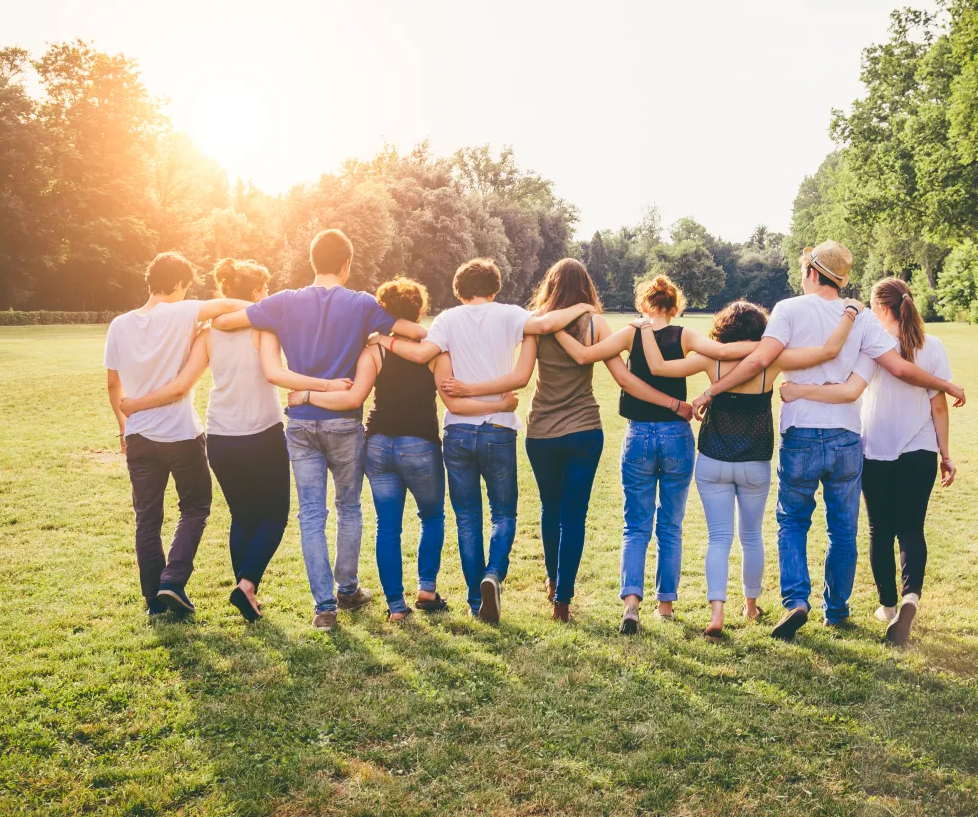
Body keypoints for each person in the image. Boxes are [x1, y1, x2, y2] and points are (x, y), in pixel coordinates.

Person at [692, 240, 965, 642]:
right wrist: (946, 384)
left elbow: (757, 361)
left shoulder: (787, 309)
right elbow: (900, 369)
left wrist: (710, 393)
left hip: (800, 432)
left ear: (810, 272)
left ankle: (796, 601)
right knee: (842, 530)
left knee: (792, 522)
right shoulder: (862, 317)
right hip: (846, 437)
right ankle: (835, 610)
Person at [444, 261, 687, 625]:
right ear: (586, 288)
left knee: (549, 509)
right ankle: (563, 600)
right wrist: (672, 403)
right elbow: (624, 378)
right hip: (584, 430)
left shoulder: (536, 324)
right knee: (574, 515)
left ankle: (553, 580)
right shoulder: (594, 323)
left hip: (542, 431)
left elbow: (521, 375)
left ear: (550, 286)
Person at [211, 229, 428, 631]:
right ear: (346, 265)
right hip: (344, 421)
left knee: (311, 513)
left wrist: (245, 304)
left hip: (300, 422)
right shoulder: (362, 304)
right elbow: (417, 332)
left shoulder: (282, 303)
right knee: (348, 508)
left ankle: (324, 608)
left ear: (313, 261)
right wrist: (379, 334)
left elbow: (223, 320)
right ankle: (348, 589)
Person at [119, 258, 348, 622]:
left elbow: (181, 384)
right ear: (257, 293)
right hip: (262, 433)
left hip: (221, 437)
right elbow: (278, 374)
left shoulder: (208, 334)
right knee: (274, 515)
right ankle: (247, 584)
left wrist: (135, 404)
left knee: (242, 516)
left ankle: (248, 596)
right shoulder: (265, 329)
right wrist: (326, 385)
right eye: (266, 290)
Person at [377, 257, 600, 623]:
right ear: (495, 288)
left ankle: (476, 602)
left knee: (467, 518)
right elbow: (545, 323)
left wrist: (381, 336)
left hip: (458, 431)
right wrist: (582, 304)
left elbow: (420, 353)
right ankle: (493, 574)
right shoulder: (510, 314)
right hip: (499, 429)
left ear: (458, 290)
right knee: (503, 513)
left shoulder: (447, 320)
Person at [292, 277, 519, 622]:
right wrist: (502, 402)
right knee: (432, 517)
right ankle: (427, 589)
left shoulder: (374, 350)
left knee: (388, 526)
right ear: (420, 310)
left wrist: (308, 395)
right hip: (421, 445)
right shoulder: (434, 350)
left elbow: (357, 396)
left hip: (378, 444)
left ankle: (396, 606)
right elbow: (450, 397)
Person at [635, 298, 860, 639]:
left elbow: (658, 368)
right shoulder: (773, 361)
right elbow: (828, 351)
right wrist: (850, 313)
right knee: (752, 537)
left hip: (713, 458)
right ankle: (751, 605)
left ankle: (716, 613)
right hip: (755, 460)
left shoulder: (711, 359)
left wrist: (645, 328)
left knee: (719, 539)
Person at [781, 277, 957, 648]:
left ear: (879, 308)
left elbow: (850, 390)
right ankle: (911, 598)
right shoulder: (934, 346)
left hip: (876, 449)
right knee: (912, 529)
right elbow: (938, 404)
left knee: (880, 530)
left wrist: (798, 391)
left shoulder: (874, 344)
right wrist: (945, 453)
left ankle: (889, 608)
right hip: (921, 449)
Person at [543, 273, 716, 633]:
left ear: (643, 304)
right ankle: (665, 605)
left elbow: (583, 355)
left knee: (635, 525)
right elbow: (716, 354)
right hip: (676, 436)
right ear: (676, 306)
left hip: (638, 435)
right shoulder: (684, 335)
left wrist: (550, 326)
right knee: (670, 525)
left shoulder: (632, 331)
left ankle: (631, 604)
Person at [104, 252, 251, 616]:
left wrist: (124, 428)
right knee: (196, 507)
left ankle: (154, 599)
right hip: (181, 434)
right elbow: (234, 303)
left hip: (137, 435)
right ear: (181, 283)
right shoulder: (185, 311)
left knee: (147, 517)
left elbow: (112, 383)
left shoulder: (119, 324)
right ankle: (173, 581)